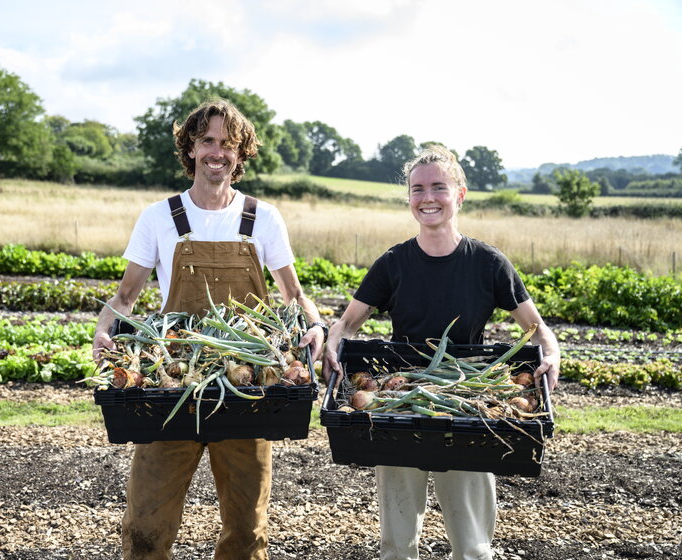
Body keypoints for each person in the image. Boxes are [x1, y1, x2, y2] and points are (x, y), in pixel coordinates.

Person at [93, 98, 326, 560]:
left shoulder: (262, 217)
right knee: (146, 523)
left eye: (228, 144)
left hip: (246, 387)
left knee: (246, 530)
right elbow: (124, 299)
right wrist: (104, 331)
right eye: (207, 142)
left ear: (240, 154)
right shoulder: (160, 217)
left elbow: (293, 295)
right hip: (174, 380)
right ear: (191, 149)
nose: (217, 152)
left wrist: (316, 323)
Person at [322, 145, 560, 560]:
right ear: (409, 197)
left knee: (472, 545)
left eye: (438, 187)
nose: (427, 197)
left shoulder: (488, 263)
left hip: (468, 404)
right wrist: (331, 342)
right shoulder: (394, 262)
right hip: (400, 401)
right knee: (397, 543)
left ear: (460, 194)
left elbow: (537, 331)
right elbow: (347, 323)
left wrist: (552, 354)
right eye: (417, 189)